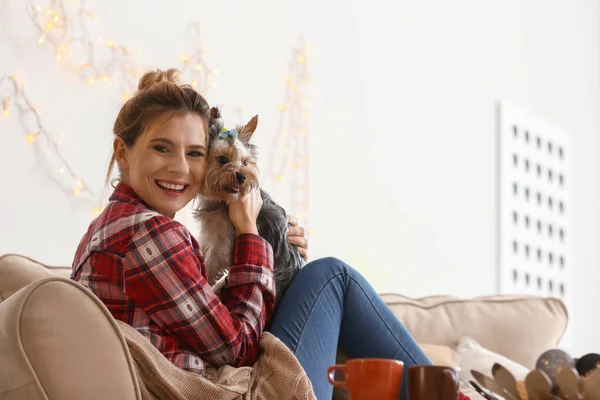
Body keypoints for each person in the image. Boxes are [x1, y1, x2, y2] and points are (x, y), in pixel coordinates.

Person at [71, 68, 468, 400]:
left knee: (322, 290)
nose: (181, 168)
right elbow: (236, 347)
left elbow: (202, 324)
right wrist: (249, 235)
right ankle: (456, 396)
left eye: (194, 153)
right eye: (162, 148)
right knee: (331, 276)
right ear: (123, 152)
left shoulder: (105, 230)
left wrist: (268, 249)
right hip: (234, 392)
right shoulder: (149, 236)